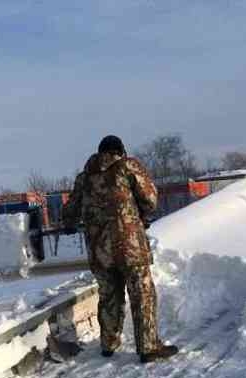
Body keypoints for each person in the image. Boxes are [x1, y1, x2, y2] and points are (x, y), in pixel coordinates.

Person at [63, 135, 178, 363]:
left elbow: (69, 213)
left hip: (99, 250)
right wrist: (143, 215)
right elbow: (150, 199)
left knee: (108, 296)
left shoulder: (84, 177)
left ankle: (108, 344)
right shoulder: (127, 166)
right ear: (121, 151)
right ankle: (148, 348)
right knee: (142, 295)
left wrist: (70, 224)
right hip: (129, 246)